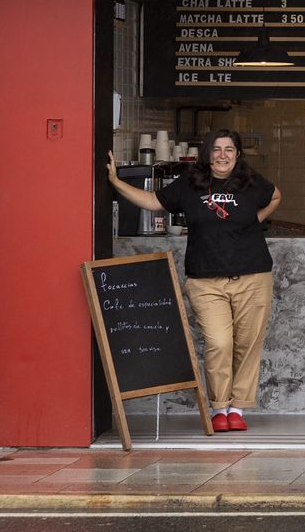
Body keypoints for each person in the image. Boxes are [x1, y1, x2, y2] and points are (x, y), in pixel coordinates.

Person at [106, 129, 281, 433]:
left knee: (248, 344)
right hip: (205, 280)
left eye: (229, 149)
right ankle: (219, 406)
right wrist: (116, 182)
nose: (223, 155)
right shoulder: (190, 182)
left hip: (253, 276)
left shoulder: (250, 181)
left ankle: (237, 408)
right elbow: (153, 202)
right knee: (218, 343)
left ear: (237, 154)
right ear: (207, 154)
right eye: (216, 149)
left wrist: (257, 218)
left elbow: (276, 195)